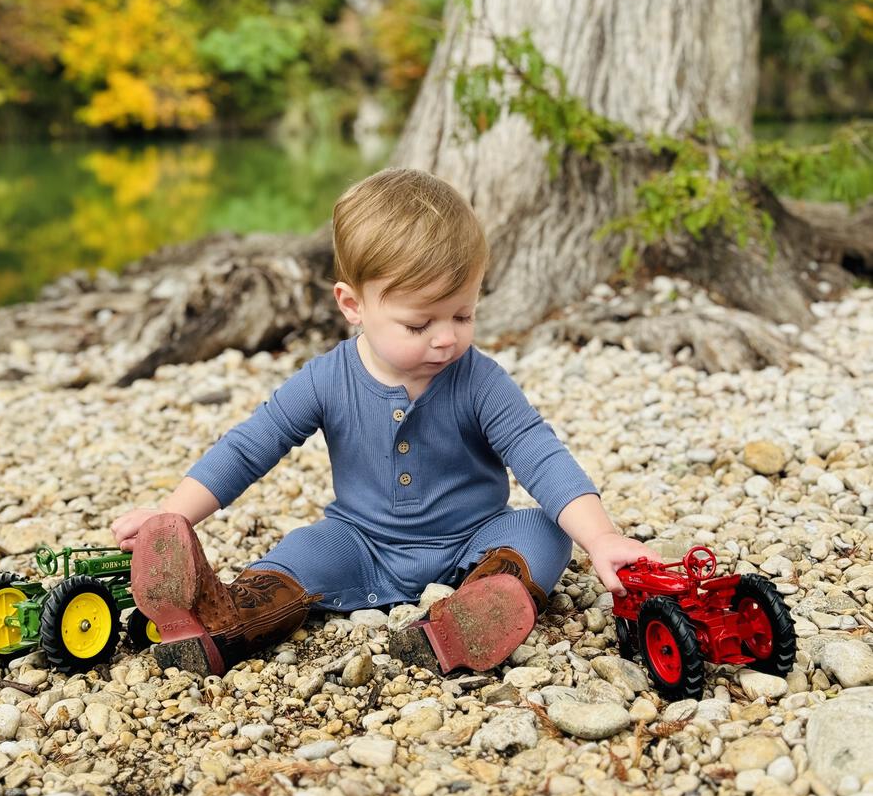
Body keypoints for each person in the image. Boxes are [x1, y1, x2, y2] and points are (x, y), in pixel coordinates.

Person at [113, 168, 658, 677]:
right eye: (419, 323)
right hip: (361, 542)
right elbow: (249, 448)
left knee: (542, 529)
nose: (446, 338)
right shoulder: (327, 379)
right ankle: (228, 622)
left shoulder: (480, 380)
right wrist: (171, 518)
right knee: (303, 549)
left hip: (474, 540)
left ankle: (472, 613)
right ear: (353, 305)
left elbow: (539, 454)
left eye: (463, 315)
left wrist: (602, 537)